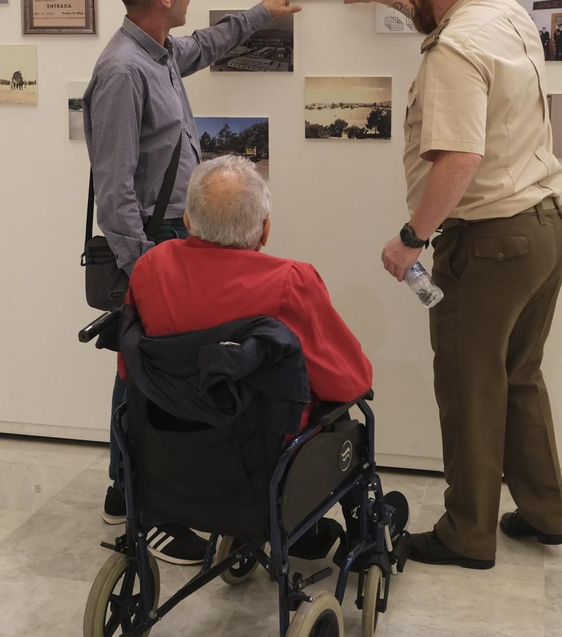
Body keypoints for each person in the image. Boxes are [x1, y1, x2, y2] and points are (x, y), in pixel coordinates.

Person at [340, 0, 562, 570]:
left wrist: (411, 238)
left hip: (494, 242)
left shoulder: (453, 52)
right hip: (548, 228)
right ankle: (543, 511)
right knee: (519, 375)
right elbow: (436, 11)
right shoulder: (504, 15)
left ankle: (468, 533)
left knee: (469, 384)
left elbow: (460, 157)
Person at [84, 0, 302, 564]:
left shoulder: (158, 54)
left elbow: (206, 44)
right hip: (152, 251)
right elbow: (114, 189)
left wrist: (264, 10)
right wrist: (146, 267)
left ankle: (141, 490)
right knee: (142, 368)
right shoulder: (124, 71)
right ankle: (130, 493)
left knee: (165, 368)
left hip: (178, 242)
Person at [123, 155, 400, 558]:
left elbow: (130, 368)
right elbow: (351, 380)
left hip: (164, 458)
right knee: (345, 417)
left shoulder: (149, 268)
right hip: (260, 467)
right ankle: (330, 529)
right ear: (265, 229)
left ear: (186, 220)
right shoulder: (289, 282)